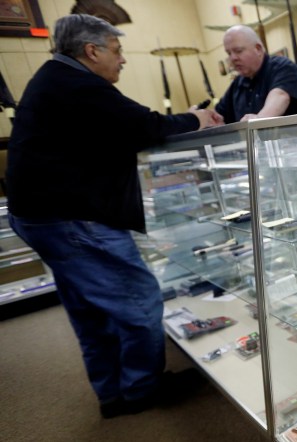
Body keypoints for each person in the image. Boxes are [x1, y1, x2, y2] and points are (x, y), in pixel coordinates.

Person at [5, 14, 224, 419]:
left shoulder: (55, 79)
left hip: (43, 215)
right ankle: (142, 389)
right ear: (92, 50)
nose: (122, 60)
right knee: (138, 299)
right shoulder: (78, 84)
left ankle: (112, 392)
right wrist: (196, 118)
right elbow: (144, 125)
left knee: (90, 310)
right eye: (117, 50)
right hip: (72, 217)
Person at [215, 25, 297, 123]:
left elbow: (280, 96)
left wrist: (258, 120)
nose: (233, 58)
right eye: (229, 53)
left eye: (238, 51)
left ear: (258, 49)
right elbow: (219, 116)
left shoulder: (282, 67)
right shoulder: (238, 84)